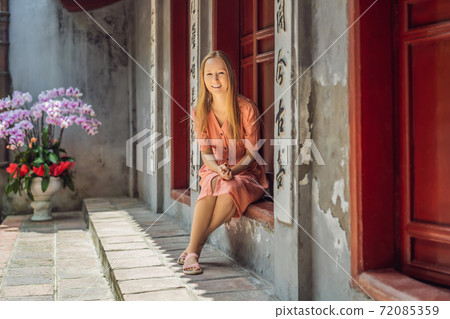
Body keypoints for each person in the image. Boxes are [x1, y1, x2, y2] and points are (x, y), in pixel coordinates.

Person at [180, 50, 269, 275]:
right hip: (215, 168)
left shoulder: (246, 109)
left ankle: (194, 246)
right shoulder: (200, 111)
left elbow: (252, 152)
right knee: (210, 184)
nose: (215, 80)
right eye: (209, 74)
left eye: (220, 73)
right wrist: (218, 168)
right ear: (203, 78)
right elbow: (206, 153)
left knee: (230, 186)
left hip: (246, 171)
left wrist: (234, 169)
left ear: (230, 75)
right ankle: (194, 249)